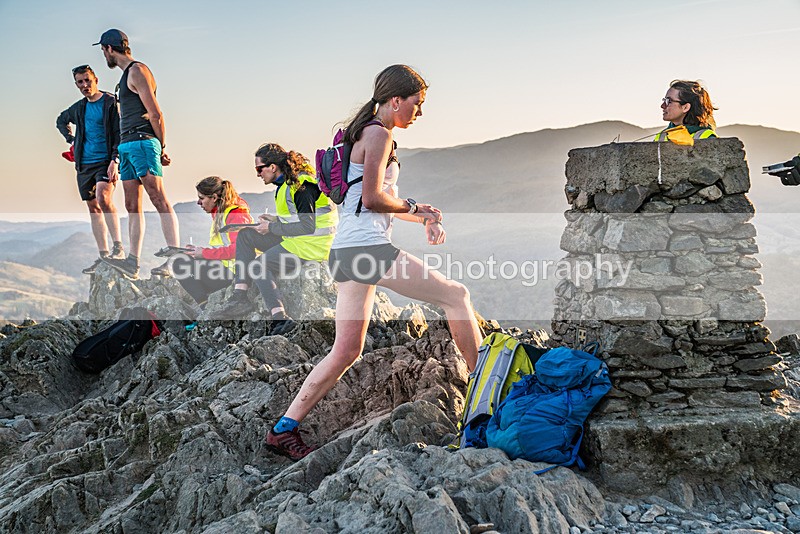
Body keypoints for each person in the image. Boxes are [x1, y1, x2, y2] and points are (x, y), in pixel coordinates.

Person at [263, 65, 482, 461]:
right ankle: (486, 399)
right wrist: (414, 206)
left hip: (346, 251)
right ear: (395, 100)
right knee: (456, 296)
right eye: (417, 104)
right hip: (367, 250)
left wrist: (422, 216)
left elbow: (371, 201)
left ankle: (284, 429)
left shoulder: (361, 134)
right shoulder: (379, 133)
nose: (420, 112)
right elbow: (372, 200)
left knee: (346, 351)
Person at [218, 143, 337, 335]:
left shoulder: (301, 185)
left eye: (259, 168)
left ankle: (280, 319)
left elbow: (308, 226)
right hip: (298, 239)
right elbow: (298, 217)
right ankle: (240, 296)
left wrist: (272, 227)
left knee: (258, 266)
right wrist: (275, 220)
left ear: (272, 167)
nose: (258, 174)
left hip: (312, 246)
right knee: (246, 235)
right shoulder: (286, 185)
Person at [94, 29, 180, 279]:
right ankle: (133, 262)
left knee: (158, 197)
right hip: (127, 145)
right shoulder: (124, 77)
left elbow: (156, 113)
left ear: (109, 49)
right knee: (132, 205)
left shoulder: (137, 71)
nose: (104, 56)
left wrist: (161, 147)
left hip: (143, 142)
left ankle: (175, 259)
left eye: (103, 51)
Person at [56, 64, 124, 274]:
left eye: (88, 80)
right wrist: (71, 138)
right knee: (93, 207)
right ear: (76, 85)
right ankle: (104, 255)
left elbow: (119, 130)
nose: (85, 85)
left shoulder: (111, 102)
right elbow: (61, 120)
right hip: (84, 164)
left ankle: (118, 247)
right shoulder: (78, 108)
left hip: (106, 161)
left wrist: (116, 159)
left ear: (96, 80)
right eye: (80, 82)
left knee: (104, 198)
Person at [170, 176, 253, 311]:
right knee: (184, 260)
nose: (198, 202)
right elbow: (224, 246)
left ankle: (206, 308)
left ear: (214, 198)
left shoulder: (235, 214)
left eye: (202, 198)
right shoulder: (220, 212)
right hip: (226, 268)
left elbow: (237, 250)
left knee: (180, 264)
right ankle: (207, 305)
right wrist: (199, 251)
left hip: (234, 273)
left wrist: (203, 253)